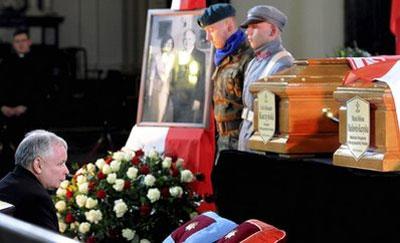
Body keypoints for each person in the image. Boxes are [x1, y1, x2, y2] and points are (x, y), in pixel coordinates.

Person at [197, 3, 254, 152]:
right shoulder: (222, 57)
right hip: (222, 140)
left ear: (228, 26)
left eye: (211, 30)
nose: (207, 37)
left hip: (240, 143)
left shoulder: (248, 57)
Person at [238, 5, 294, 151]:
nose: (247, 32)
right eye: (248, 27)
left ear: (273, 31)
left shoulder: (283, 64)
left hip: (263, 140)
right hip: (247, 134)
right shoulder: (253, 63)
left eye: (255, 27)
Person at [0, 130, 69, 232]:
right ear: (38, 165)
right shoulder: (37, 199)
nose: (66, 171)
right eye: (60, 163)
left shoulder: (5, 183)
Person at [0, 29, 47, 159]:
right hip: (7, 110)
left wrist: (25, 106)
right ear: (13, 44)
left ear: (29, 42)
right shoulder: (5, 62)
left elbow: (40, 89)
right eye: (17, 41)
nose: (20, 44)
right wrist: (3, 106)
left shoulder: (39, 63)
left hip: (31, 110)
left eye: (23, 41)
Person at [171, 29, 206, 123]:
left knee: (188, 124)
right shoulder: (178, 55)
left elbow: (202, 79)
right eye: (185, 39)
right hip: (178, 98)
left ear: (194, 40)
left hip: (192, 97)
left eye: (190, 39)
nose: (187, 41)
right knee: (176, 124)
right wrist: (173, 94)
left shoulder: (201, 56)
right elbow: (174, 75)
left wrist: (198, 99)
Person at [146, 35, 176, 122]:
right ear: (163, 44)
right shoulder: (156, 57)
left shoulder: (174, 58)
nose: (169, 45)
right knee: (156, 111)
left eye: (171, 43)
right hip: (157, 88)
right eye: (167, 43)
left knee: (166, 112)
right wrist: (150, 93)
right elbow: (151, 76)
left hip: (169, 89)